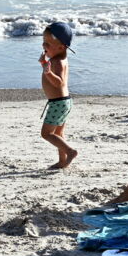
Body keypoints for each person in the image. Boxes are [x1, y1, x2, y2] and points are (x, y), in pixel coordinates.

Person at [38, 22, 78, 169]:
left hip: (58, 103)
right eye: (43, 42)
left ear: (61, 47)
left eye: (48, 44)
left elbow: (59, 83)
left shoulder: (58, 62)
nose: (44, 46)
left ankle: (70, 152)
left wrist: (47, 71)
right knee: (59, 133)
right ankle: (62, 161)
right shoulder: (59, 59)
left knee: (46, 134)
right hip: (62, 102)